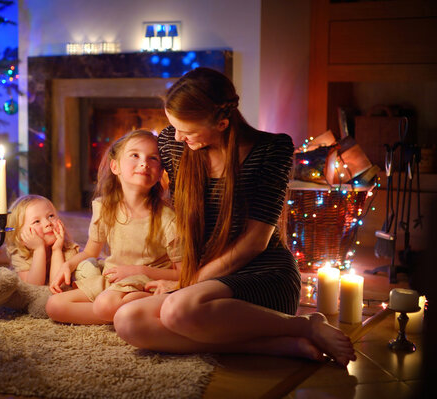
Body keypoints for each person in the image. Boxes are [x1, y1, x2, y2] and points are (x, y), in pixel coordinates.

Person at [112, 67, 356, 367]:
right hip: (203, 280)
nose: (177, 136)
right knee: (128, 321)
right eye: (173, 126)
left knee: (178, 311)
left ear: (222, 123)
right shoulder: (173, 144)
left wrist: (187, 284)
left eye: (186, 131)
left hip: (262, 274)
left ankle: (306, 325)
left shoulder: (272, 149)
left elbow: (255, 241)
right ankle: (276, 346)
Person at [46, 130, 182, 324]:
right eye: (135, 155)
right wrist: (68, 265)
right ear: (115, 166)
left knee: (104, 304)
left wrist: (140, 271)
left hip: (144, 281)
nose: (144, 162)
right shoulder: (104, 208)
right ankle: (125, 313)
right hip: (113, 279)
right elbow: (91, 252)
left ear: (160, 172)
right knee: (54, 306)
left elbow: (182, 273)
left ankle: (132, 307)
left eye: (153, 158)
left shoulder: (168, 219)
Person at [5, 194, 80, 285]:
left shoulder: (68, 249)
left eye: (51, 216)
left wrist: (57, 250)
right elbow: (33, 287)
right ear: (20, 235)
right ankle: (2, 257)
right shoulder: (20, 253)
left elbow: (58, 286)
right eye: (36, 221)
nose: (48, 223)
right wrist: (39, 250)